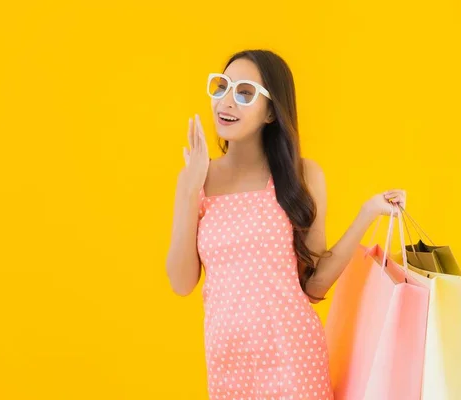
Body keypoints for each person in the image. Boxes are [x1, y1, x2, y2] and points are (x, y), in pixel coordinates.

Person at [166, 49, 406, 400]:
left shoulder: (302, 176)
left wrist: (367, 212)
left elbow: (314, 284)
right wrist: (189, 189)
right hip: (226, 366)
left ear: (270, 112)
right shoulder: (196, 181)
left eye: (245, 92)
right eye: (222, 87)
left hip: (292, 361)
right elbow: (181, 282)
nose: (226, 102)